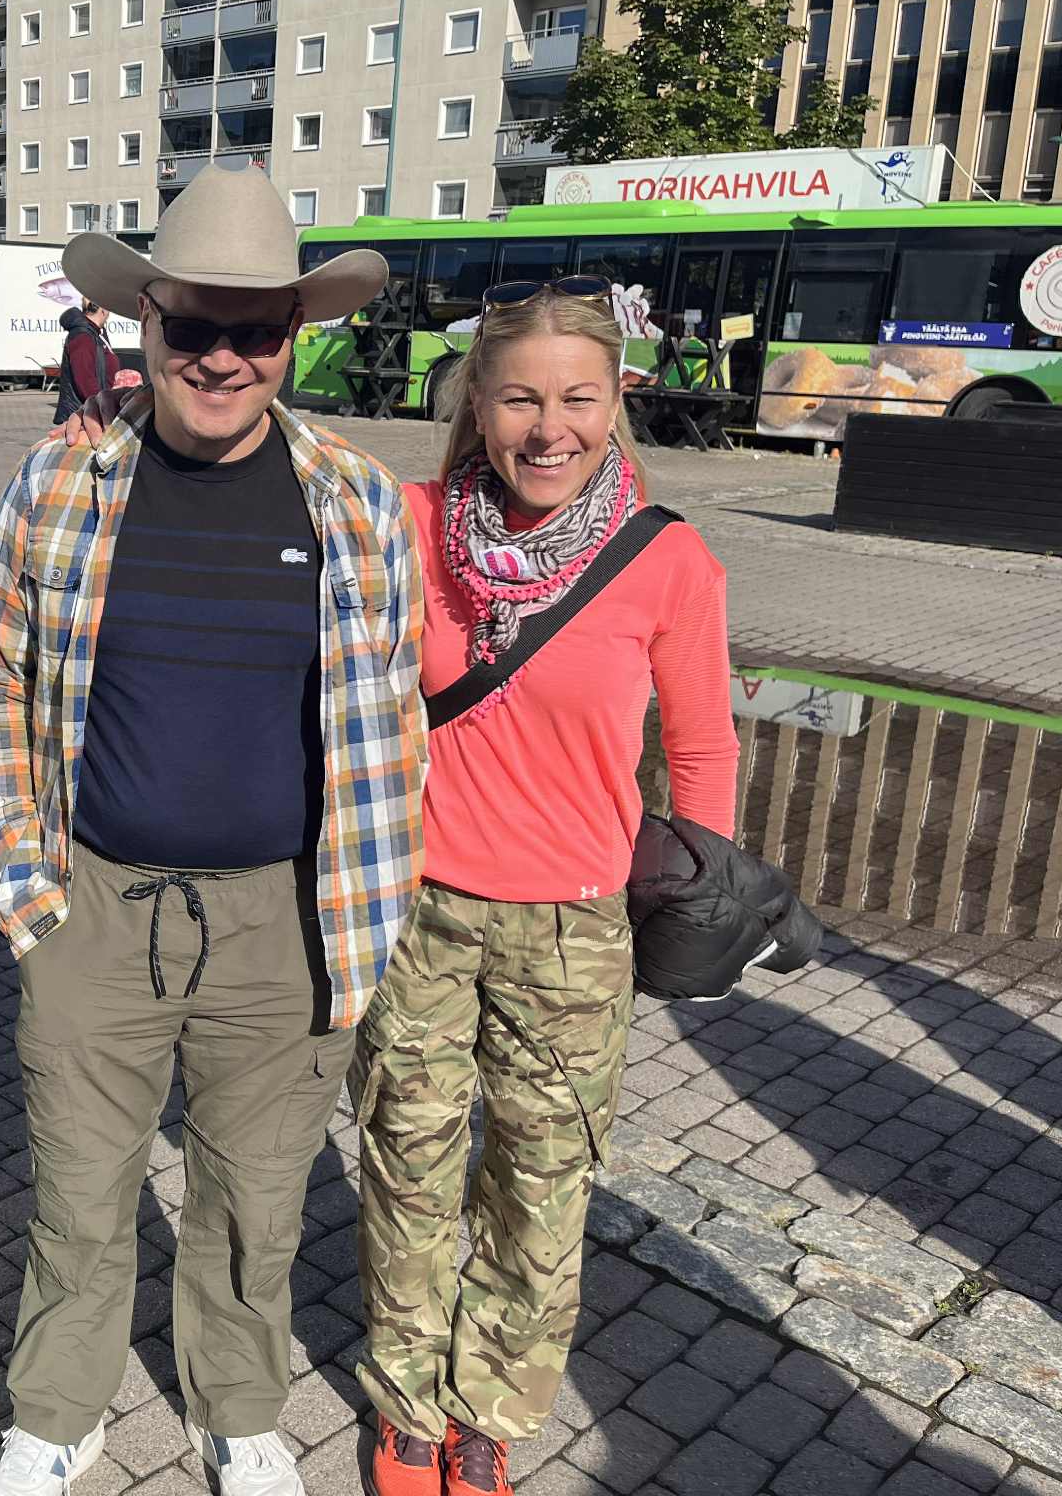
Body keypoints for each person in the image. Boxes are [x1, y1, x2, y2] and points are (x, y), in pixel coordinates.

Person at [0, 165, 427, 1496]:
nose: (222, 358)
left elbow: (391, 710)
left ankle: (237, 1409)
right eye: (193, 326)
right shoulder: (62, 478)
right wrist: (26, 883)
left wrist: (371, 908)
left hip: (287, 917)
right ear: (144, 321)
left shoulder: (354, 499)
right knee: (79, 1186)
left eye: (255, 329)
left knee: (256, 1197)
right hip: (94, 903)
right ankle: (58, 1414)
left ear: (291, 338)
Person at [354, 279, 739, 1496]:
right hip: (416, 912)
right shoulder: (405, 521)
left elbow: (702, 749)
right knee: (407, 1167)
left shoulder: (666, 560)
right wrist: (118, 424)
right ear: (474, 402)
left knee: (538, 1188)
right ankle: (405, 1406)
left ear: (614, 400)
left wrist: (697, 899)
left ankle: (489, 1410)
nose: (547, 427)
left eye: (576, 398)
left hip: (574, 927)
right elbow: (262, 487)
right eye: (518, 398)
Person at [53, 298, 120, 427]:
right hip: (83, 416)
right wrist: (103, 408)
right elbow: (86, 382)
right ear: (103, 310)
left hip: (93, 412)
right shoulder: (83, 337)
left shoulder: (95, 333)